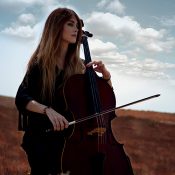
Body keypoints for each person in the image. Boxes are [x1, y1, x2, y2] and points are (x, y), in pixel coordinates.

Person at [15, 7, 113, 175]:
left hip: (72, 139)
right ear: (56, 27)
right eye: (70, 24)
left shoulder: (80, 66)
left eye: (77, 25)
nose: (76, 29)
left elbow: (104, 98)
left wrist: (106, 76)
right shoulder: (40, 64)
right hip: (43, 138)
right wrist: (47, 110)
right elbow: (22, 97)